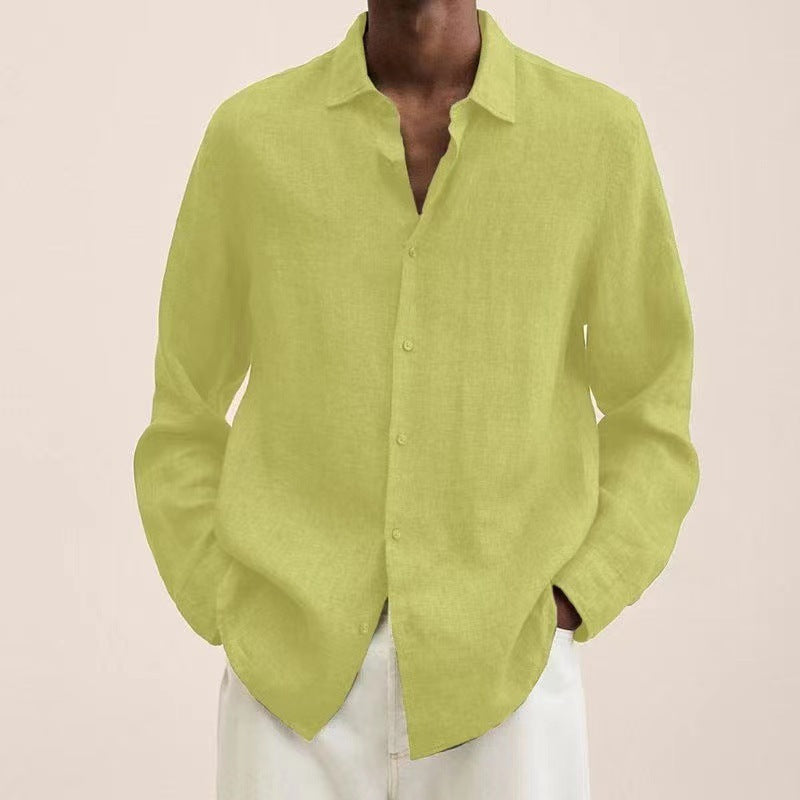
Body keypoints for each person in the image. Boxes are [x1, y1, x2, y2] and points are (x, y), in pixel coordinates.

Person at [133, 2, 700, 798]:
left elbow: (652, 406)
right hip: (289, 685)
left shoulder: (597, 138)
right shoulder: (251, 139)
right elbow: (184, 408)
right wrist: (225, 601)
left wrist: (577, 596)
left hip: (508, 679)